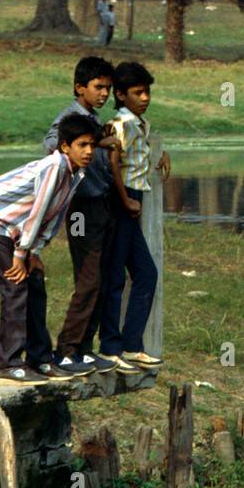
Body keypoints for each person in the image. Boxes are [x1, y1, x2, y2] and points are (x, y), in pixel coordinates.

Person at [0, 114, 97, 384]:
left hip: (14, 227)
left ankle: (41, 359)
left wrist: (34, 253)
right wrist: (21, 254)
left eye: (92, 145)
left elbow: (55, 214)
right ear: (64, 146)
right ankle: (9, 363)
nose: (89, 151)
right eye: (82, 145)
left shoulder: (76, 173)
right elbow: (38, 211)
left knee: (35, 282)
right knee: (16, 285)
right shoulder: (55, 167)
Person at [43, 57, 122, 376]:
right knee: (88, 280)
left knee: (99, 280)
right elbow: (51, 146)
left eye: (108, 88)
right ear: (80, 88)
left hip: (101, 205)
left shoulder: (92, 116)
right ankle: (66, 349)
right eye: (98, 87)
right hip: (81, 210)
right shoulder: (72, 117)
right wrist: (98, 141)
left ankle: (84, 348)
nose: (104, 93)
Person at [102, 61, 169, 370]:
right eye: (138, 93)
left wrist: (160, 153)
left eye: (147, 92)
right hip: (121, 201)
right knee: (115, 276)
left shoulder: (141, 124)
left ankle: (132, 345)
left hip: (133, 200)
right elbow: (113, 161)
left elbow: (139, 153)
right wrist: (126, 199)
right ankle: (109, 348)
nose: (145, 98)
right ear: (121, 95)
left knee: (146, 274)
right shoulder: (119, 124)